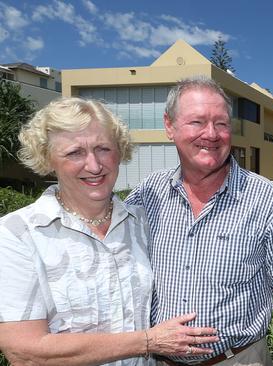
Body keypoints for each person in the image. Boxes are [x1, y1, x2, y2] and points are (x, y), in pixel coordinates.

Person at [0, 97, 218, 366]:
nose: (94, 165)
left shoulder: (142, 222)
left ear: (120, 151)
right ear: (47, 159)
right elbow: (25, 352)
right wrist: (149, 341)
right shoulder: (18, 234)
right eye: (74, 153)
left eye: (103, 149)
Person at [125, 76, 273, 366]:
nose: (211, 134)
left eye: (221, 123)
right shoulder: (148, 193)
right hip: (160, 360)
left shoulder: (264, 197)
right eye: (197, 122)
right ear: (169, 126)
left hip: (238, 359)